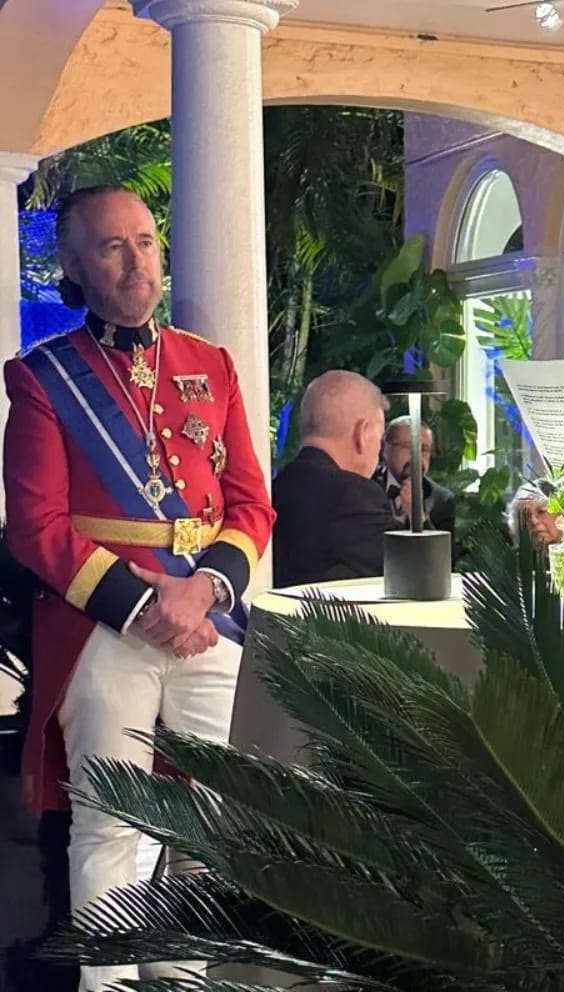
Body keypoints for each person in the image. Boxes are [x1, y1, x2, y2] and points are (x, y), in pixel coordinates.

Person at [2, 185, 275, 990]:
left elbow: (251, 505)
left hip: (205, 622)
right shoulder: (43, 378)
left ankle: (183, 975)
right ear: (75, 266)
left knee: (219, 816)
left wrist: (202, 592)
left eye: (145, 241)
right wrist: (142, 605)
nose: (136, 261)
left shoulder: (210, 365)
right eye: (112, 247)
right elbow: (36, 527)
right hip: (100, 626)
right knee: (110, 828)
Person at [272, 370, 398, 588]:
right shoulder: (355, 496)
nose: (379, 452)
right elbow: (418, 568)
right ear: (362, 433)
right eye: (380, 439)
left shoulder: (275, 487)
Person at [378, 417, 455, 535]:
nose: (417, 457)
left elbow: (443, 547)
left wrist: (418, 516)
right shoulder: (364, 488)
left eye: (424, 449)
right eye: (409, 447)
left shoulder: (441, 499)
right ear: (385, 449)